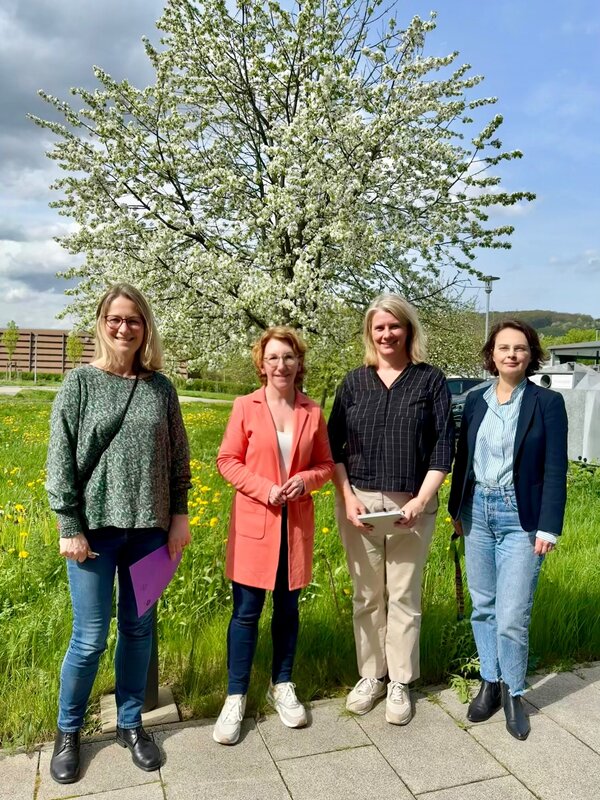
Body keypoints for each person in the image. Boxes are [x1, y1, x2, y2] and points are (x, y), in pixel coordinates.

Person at [45, 284, 191, 783]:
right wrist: (69, 525)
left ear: (145, 326)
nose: (124, 327)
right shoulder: (80, 383)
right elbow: (60, 458)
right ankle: (69, 732)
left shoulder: (161, 388)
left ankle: (131, 725)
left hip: (150, 534)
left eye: (133, 320)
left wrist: (180, 516)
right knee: (88, 639)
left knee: (138, 630)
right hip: (93, 535)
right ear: (102, 323)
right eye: (115, 319)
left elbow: (178, 460)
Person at [327, 294, 454, 725]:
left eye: (394, 326)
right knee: (366, 594)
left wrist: (421, 500)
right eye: (379, 327)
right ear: (370, 333)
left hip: (412, 505)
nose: (386, 334)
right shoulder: (353, 383)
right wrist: (346, 497)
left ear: (408, 331)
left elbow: (443, 446)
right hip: (361, 503)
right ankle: (370, 676)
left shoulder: (429, 381)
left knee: (402, 595)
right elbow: (333, 447)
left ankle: (399, 681)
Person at [214, 326, 334, 745]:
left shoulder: (312, 412)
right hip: (254, 526)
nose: (281, 365)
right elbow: (227, 460)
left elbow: (325, 464)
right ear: (261, 365)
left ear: (299, 363)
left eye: (288, 357)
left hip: (294, 527)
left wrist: (306, 480)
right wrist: (264, 489)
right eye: (273, 358)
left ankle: (282, 684)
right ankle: (235, 695)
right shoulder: (244, 407)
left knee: (287, 611)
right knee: (246, 614)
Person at [448, 320, 568, 740]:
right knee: (483, 607)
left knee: (512, 614)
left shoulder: (547, 403)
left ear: (531, 353)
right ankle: (490, 684)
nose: (512, 354)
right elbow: (463, 458)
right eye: (504, 347)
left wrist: (549, 527)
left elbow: (555, 468)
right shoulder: (476, 399)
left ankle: (515, 692)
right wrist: (456, 509)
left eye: (520, 347)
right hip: (476, 510)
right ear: (492, 354)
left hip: (522, 517)